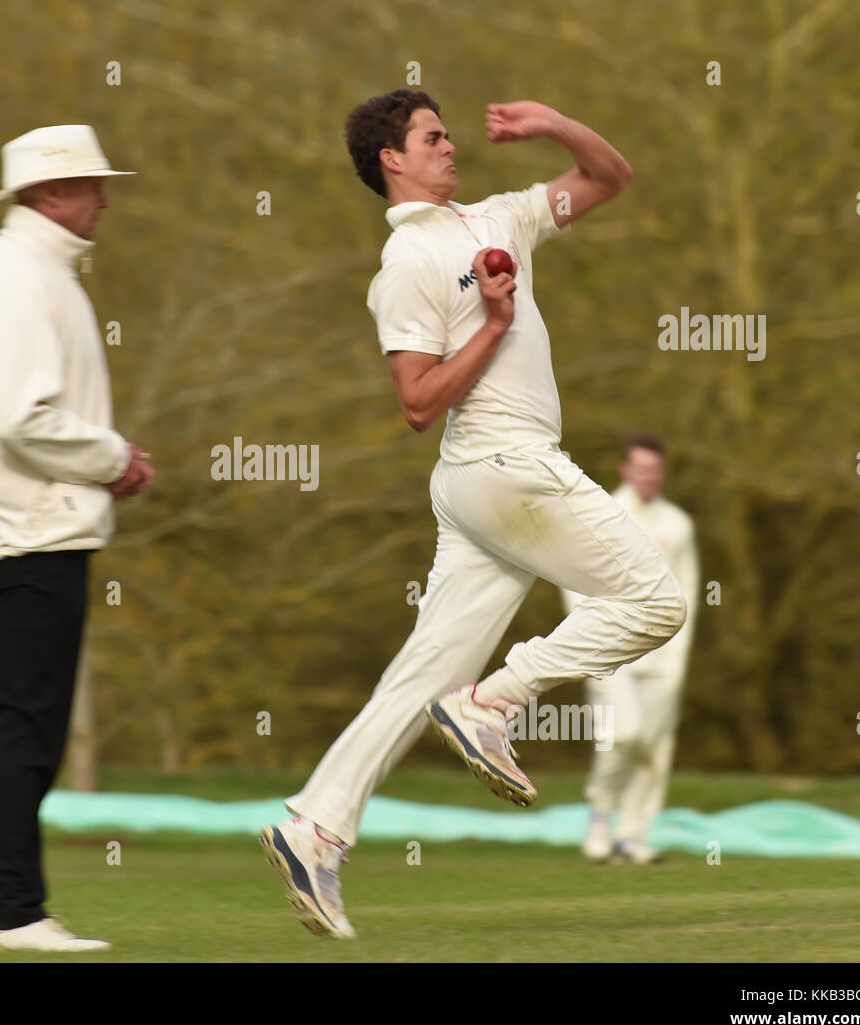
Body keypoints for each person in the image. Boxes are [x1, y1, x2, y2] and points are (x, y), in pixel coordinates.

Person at [261, 91, 685, 938]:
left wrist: (557, 123)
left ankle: (315, 826)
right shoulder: (406, 266)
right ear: (392, 158)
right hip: (502, 467)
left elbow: (610, 176)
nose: (451, 146)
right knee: (657, 603)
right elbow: (417, 402)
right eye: (432, 137)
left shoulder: (499, 217)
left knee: (421, 673)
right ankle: (497, 700)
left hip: (483, 489)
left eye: (449, 132)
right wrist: (491, 326)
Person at [0, 125, 154, 952]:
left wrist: (99, 461)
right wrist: (114, 457)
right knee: (28, 720)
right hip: (28, 526)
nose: (105, 197)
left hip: (38, 524)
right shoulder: (22, 275)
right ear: (49, 194)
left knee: (33, 720)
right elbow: (24, 417)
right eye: (91, 184)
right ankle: (11, 910)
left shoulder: (35, 270)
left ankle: (13, 904)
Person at [561, 434, 699, 865]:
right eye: (640, 468)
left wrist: (678, 659)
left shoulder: (677, 524)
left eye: (655, 469)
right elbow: (574, 580)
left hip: (662, 656)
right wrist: (593, 643)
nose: (648, 477)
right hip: (611, 652)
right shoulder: (602, 513)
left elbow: (686, 592)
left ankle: (632, 837)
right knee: (623, 735)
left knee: (653, 747)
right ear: (624, 469)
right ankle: (600, 814)